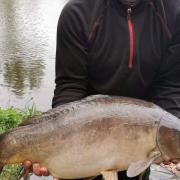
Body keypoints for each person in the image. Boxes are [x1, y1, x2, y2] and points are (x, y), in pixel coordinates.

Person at [23, 0, 180, 179]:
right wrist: (54, 143)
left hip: (141, 136)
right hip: (85, 133)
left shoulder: (173, 13)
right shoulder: (78, 11)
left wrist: (169, 143)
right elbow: (71, 85)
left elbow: (170, 85)